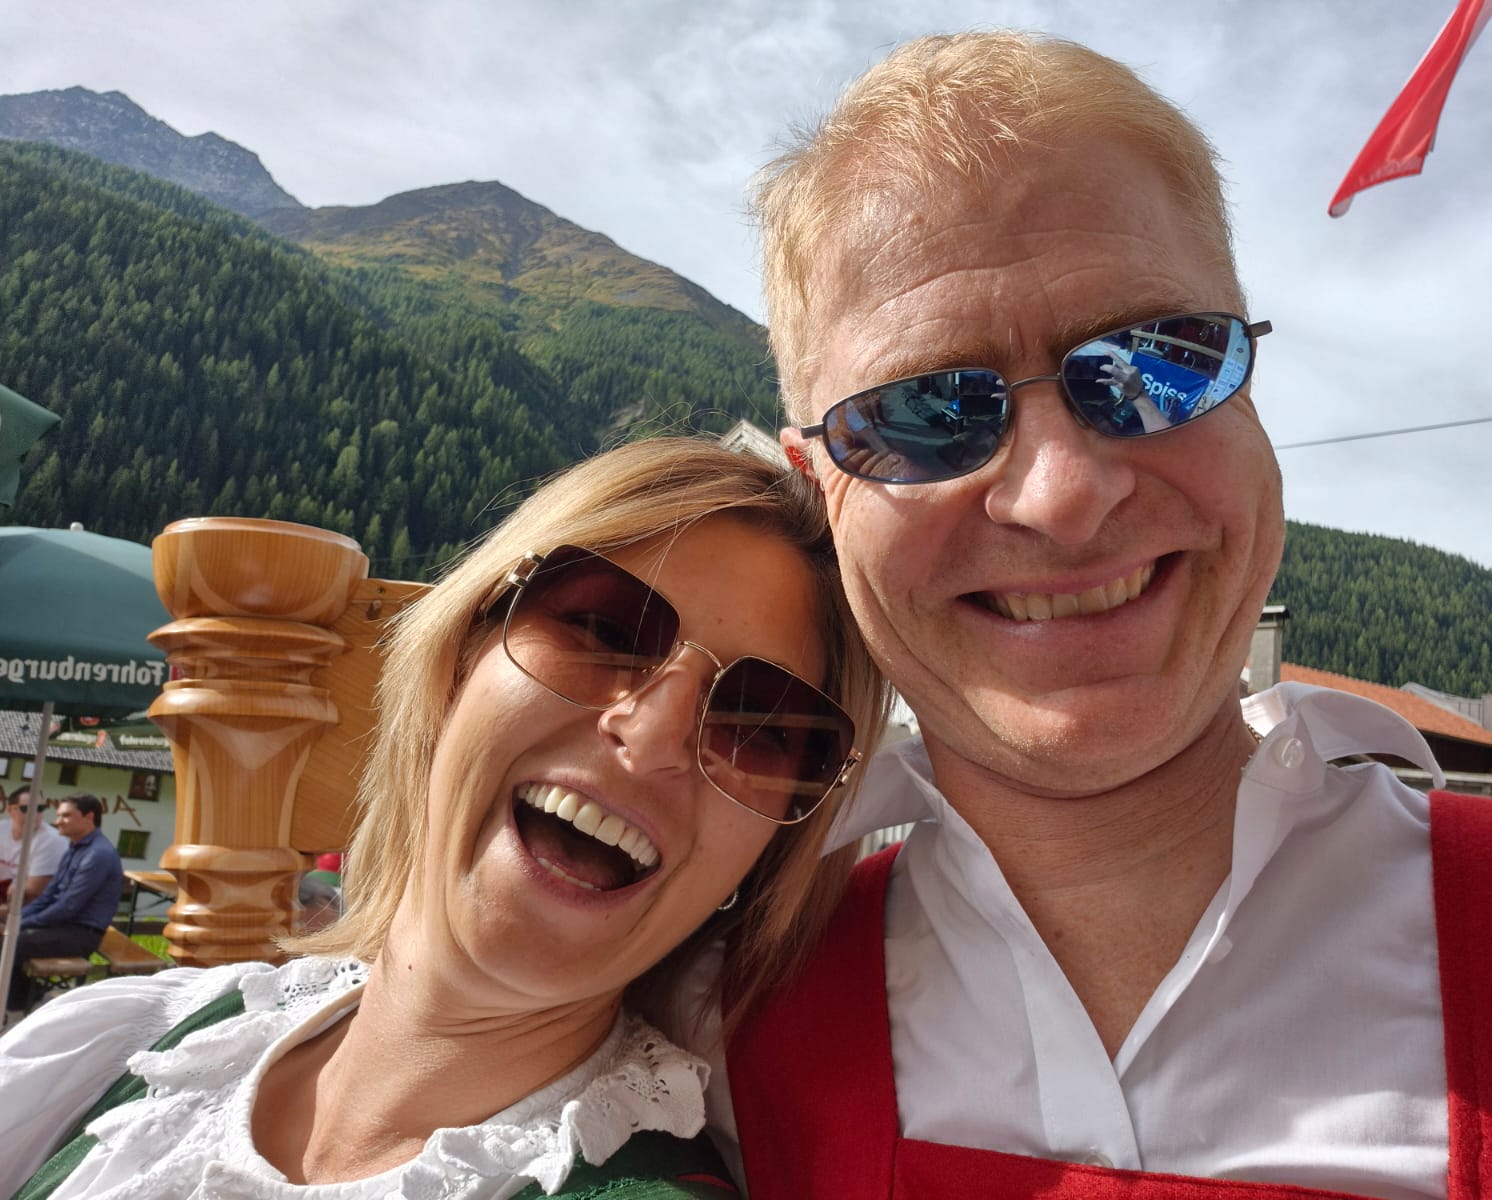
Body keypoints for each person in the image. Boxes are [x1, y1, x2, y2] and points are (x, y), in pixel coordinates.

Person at [699, 30, 1492, 1199]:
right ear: (819, 489)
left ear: (1249, 390)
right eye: (924, 414)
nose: (1063, 496)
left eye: (1155, 362)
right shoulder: (706, 1039)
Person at [0, 438, 887, 1199]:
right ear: (459, 661)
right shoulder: (132, 1046)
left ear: (768, 853)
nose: (650, 736)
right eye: (604, 630)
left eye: (762, 726)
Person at [5, 793, 122, 1014]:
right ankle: (24, 998)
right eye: (58, 815)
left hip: (82, 934)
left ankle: (22, 1002)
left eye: (66, 816)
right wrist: (17, 919)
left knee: (11, 942)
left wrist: (20, 925)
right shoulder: (75, 848)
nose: (58, 821)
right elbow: (49, 895)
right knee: (9, 936)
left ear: (89, 817)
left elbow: (68, 907)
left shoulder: (98, 854)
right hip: (63, 926)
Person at [0, 786, 69, 905]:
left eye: (40, 808)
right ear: (10, 810)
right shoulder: (2, 828)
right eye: (26, 809)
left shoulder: (52, 841)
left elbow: (33, 895)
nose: (34, 814)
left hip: (32, 909)